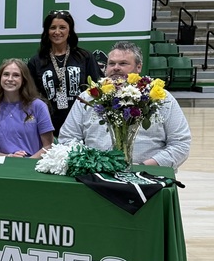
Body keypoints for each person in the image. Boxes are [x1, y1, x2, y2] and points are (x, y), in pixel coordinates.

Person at [59, 41, 191, 169]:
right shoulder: (88, 97)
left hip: (148, 175)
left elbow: (180, 144)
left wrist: (144, 167)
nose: (116, 67)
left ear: (138, 67)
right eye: (111, 63)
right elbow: (68, 138)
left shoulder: (161, 98)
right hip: (95, 173)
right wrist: (91, 163)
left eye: (123, 63)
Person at [27, 9, 101, 137]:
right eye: (53, 28)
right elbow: (30, 96)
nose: (57, 32)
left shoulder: (84, 57)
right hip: (48, 126)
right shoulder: (36, 61)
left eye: (62, 27)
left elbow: (96, 90)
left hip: (82, 124)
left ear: (70, 30)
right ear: (47, 31)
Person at [0, 58, 55, 158]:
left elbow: (48, 146)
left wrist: (27, 162)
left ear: (24, 80)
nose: (10, 79)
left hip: (34, 164)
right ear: (0, 78)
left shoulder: (38, 106)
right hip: (5, 165)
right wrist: (10, 157)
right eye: (6, 74)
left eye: (16, 75)